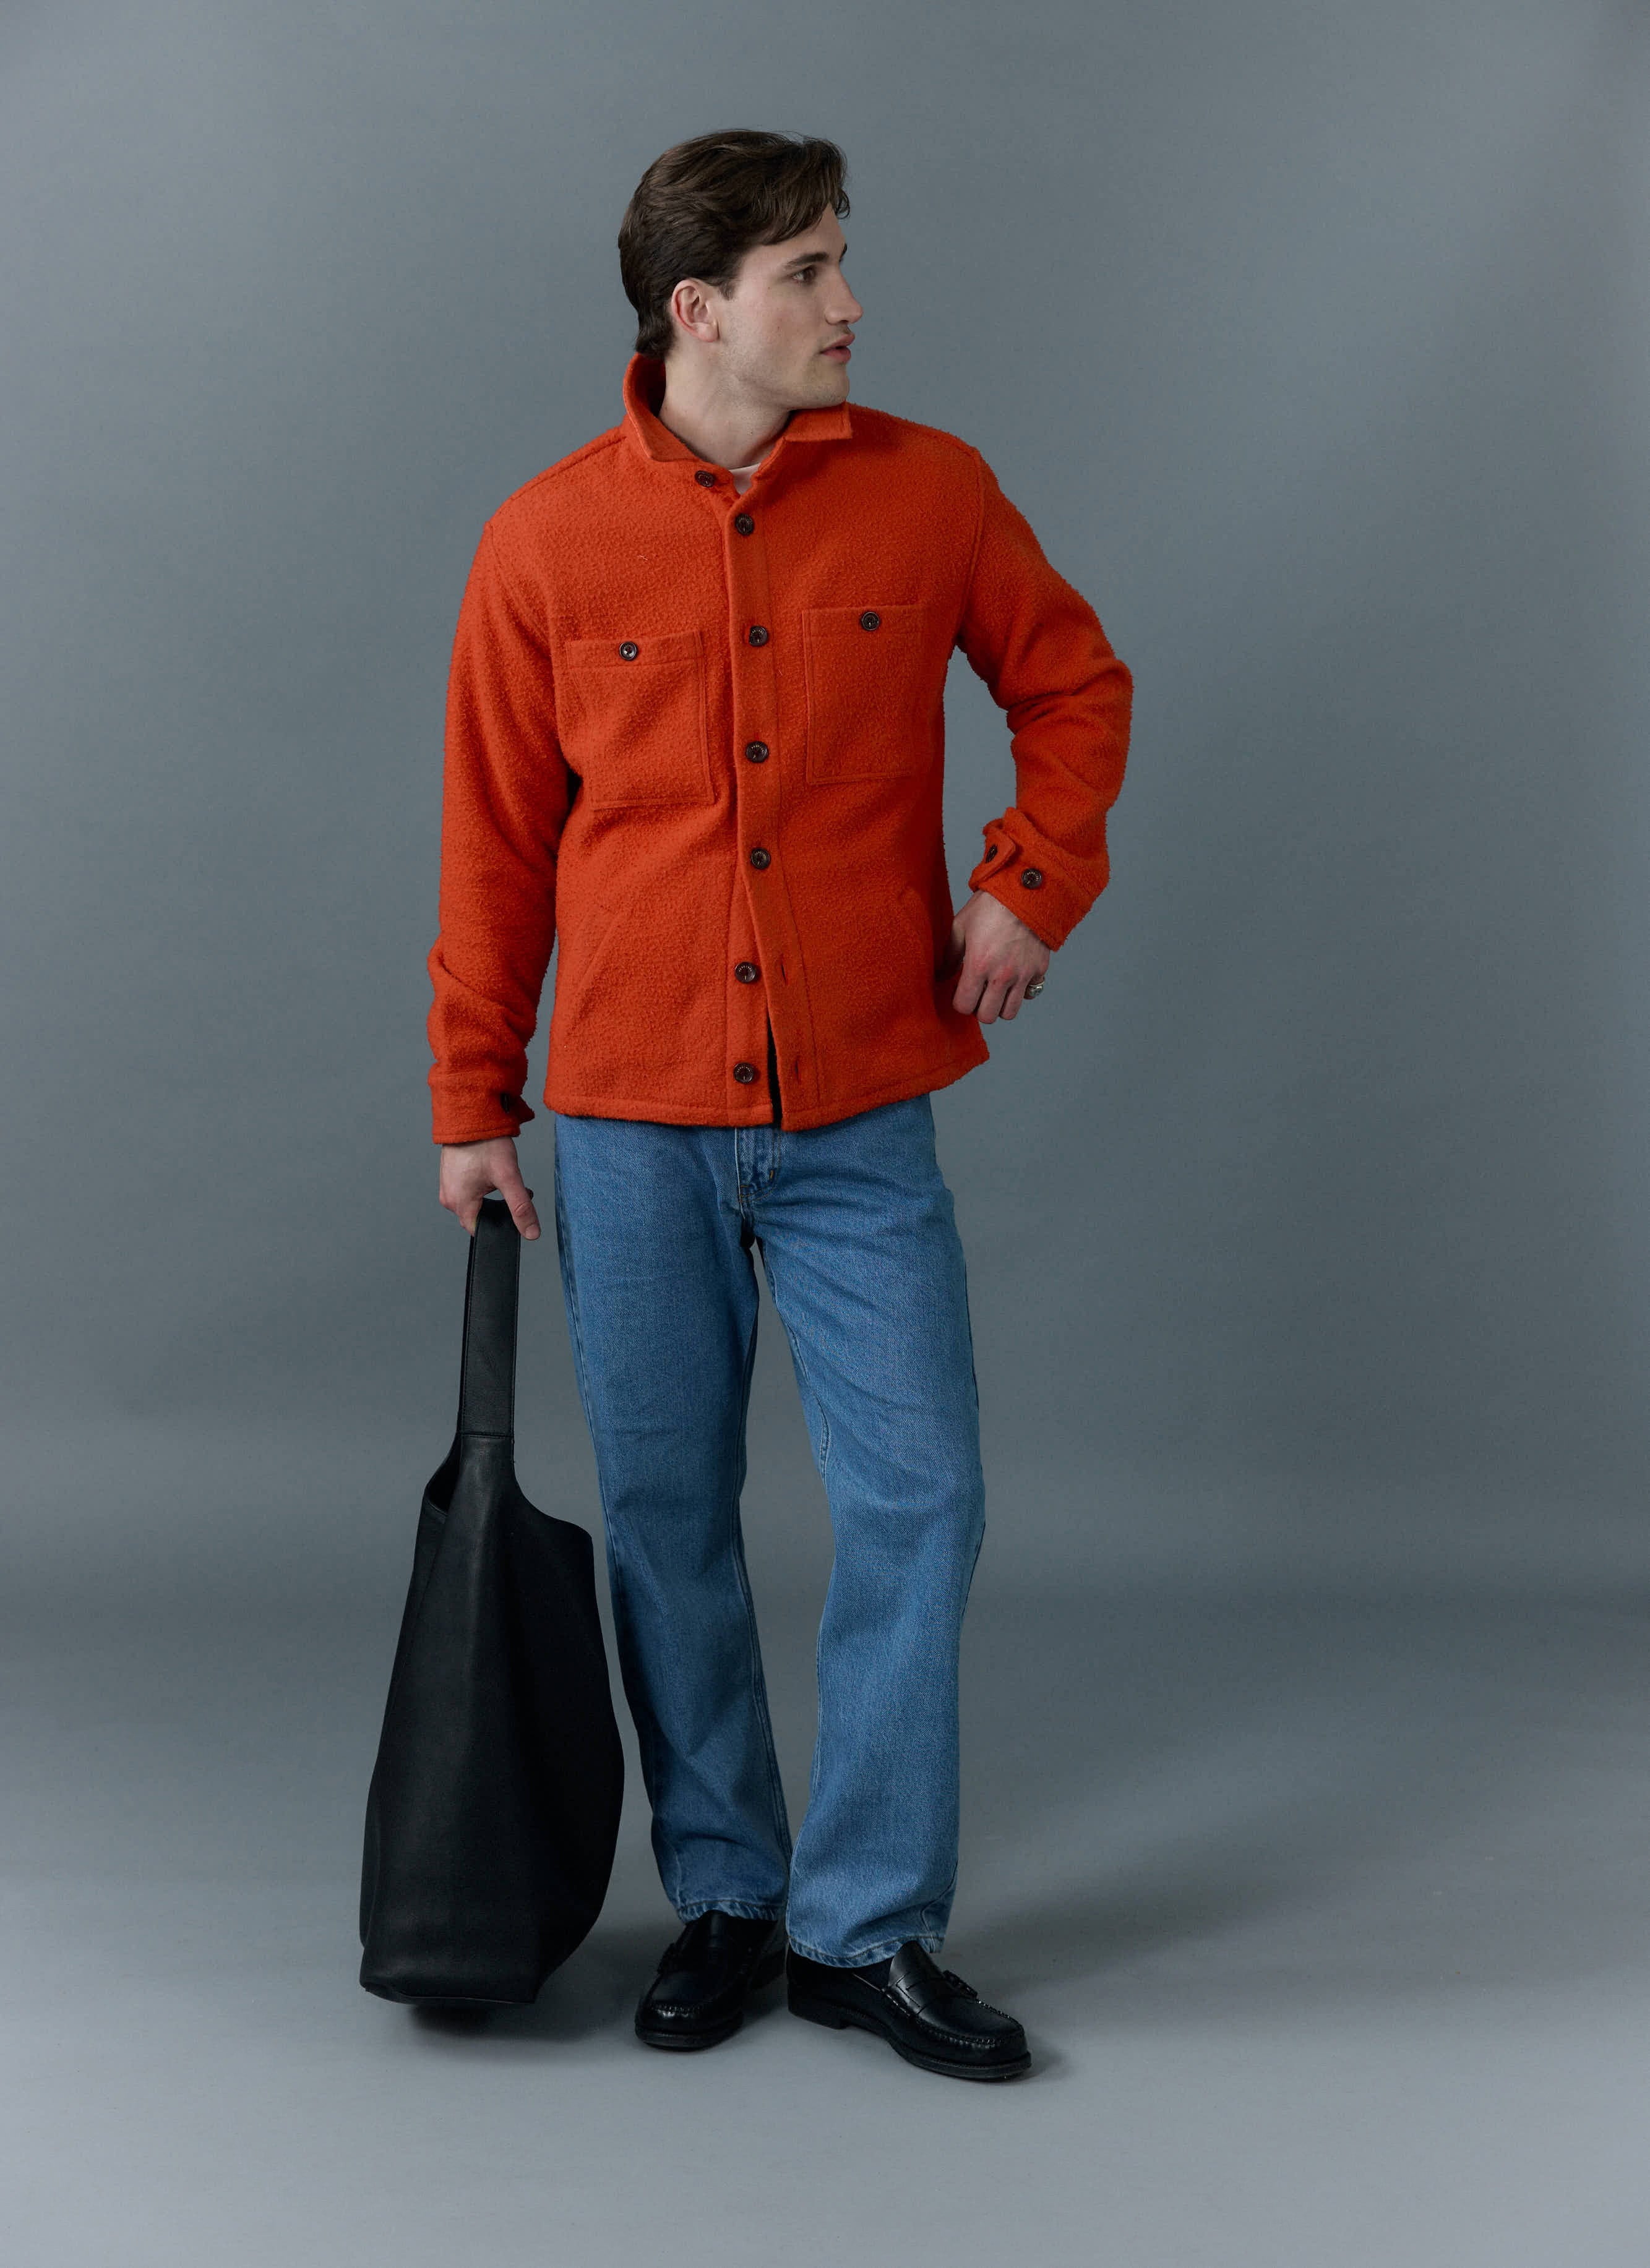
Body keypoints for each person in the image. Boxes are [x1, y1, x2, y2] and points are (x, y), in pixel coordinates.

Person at [425, 129, 1132, 2081]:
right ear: (698, 309)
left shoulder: (930, 495)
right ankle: (727, 1891)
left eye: (839, 262)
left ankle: (865, 1922)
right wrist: (474, 1099)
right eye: (811, 269)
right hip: (629, 1118)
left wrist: (1026, 878)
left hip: (857, 1121)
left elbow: (1073, 688)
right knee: (668, 1515)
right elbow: (494, 845)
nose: (848, 303)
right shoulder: (544, 542)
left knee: (921, 1496)